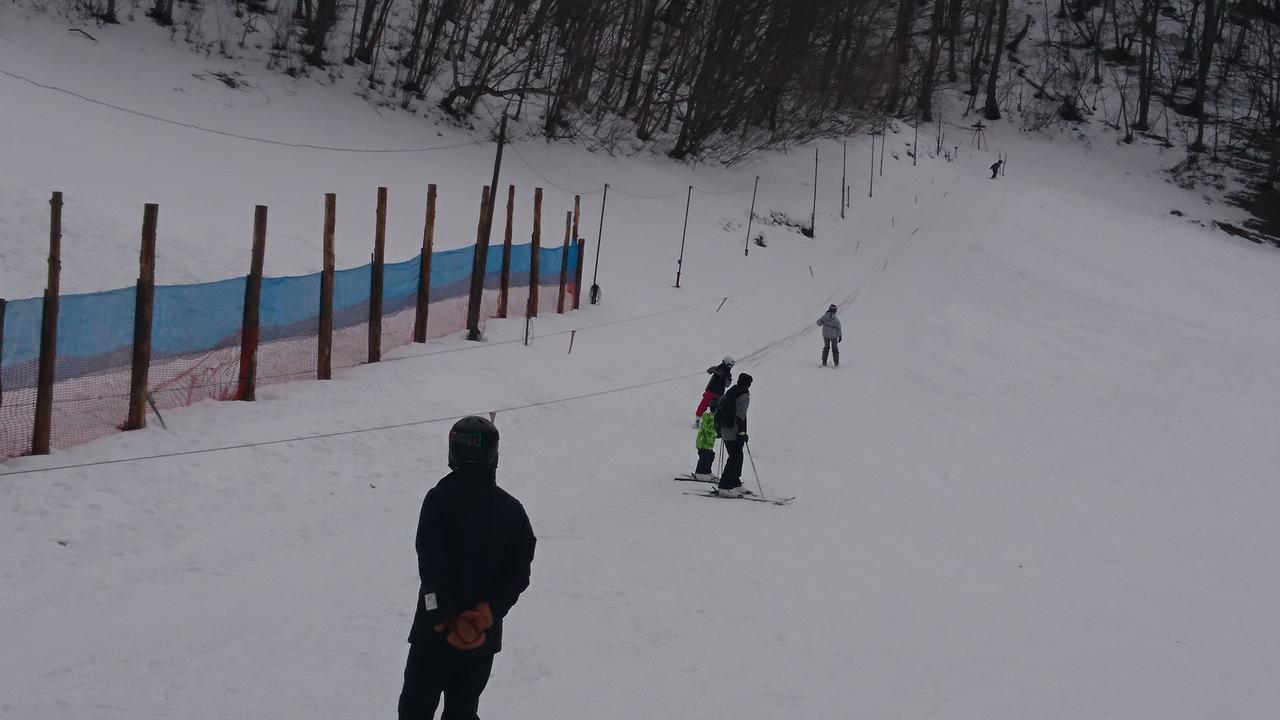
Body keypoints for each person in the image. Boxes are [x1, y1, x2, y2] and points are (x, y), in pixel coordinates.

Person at [398, 416, 536, 720]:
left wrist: (441, 617)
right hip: (481, 637)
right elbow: (518, 575)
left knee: (415, 711)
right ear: (494, 456)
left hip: (434, 636)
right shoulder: (512, 511)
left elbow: (431, 566)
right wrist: (486, 613)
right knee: (462, 710)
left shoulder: (439, 500)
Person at [714, 373, 752, 496]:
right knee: (735, 458)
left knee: (737, 456)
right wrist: (742, 433)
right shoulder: (744, 394)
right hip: (734, 431)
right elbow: (739, 416)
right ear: (748, 384)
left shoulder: (732, 391)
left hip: (725, 427)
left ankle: (735, 482)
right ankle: (724, 487)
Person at [694, 356, 735, 425]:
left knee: (704, 405)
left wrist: (716, 370)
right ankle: (713, 422)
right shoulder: (727, 374)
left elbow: (709, 371)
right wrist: (725, 376)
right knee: (716, 408)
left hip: (711, 390)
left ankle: (698, 419)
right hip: (719, 393)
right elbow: (727, 385)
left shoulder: (717, 368)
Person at [692, 398, 720, 481]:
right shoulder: (711, 418)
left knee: (710, 456)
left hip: (708, 443)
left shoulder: (711, 417)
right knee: (704, 458)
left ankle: (707, 471)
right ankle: (700, 473)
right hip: (704, 443)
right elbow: (710, 429)